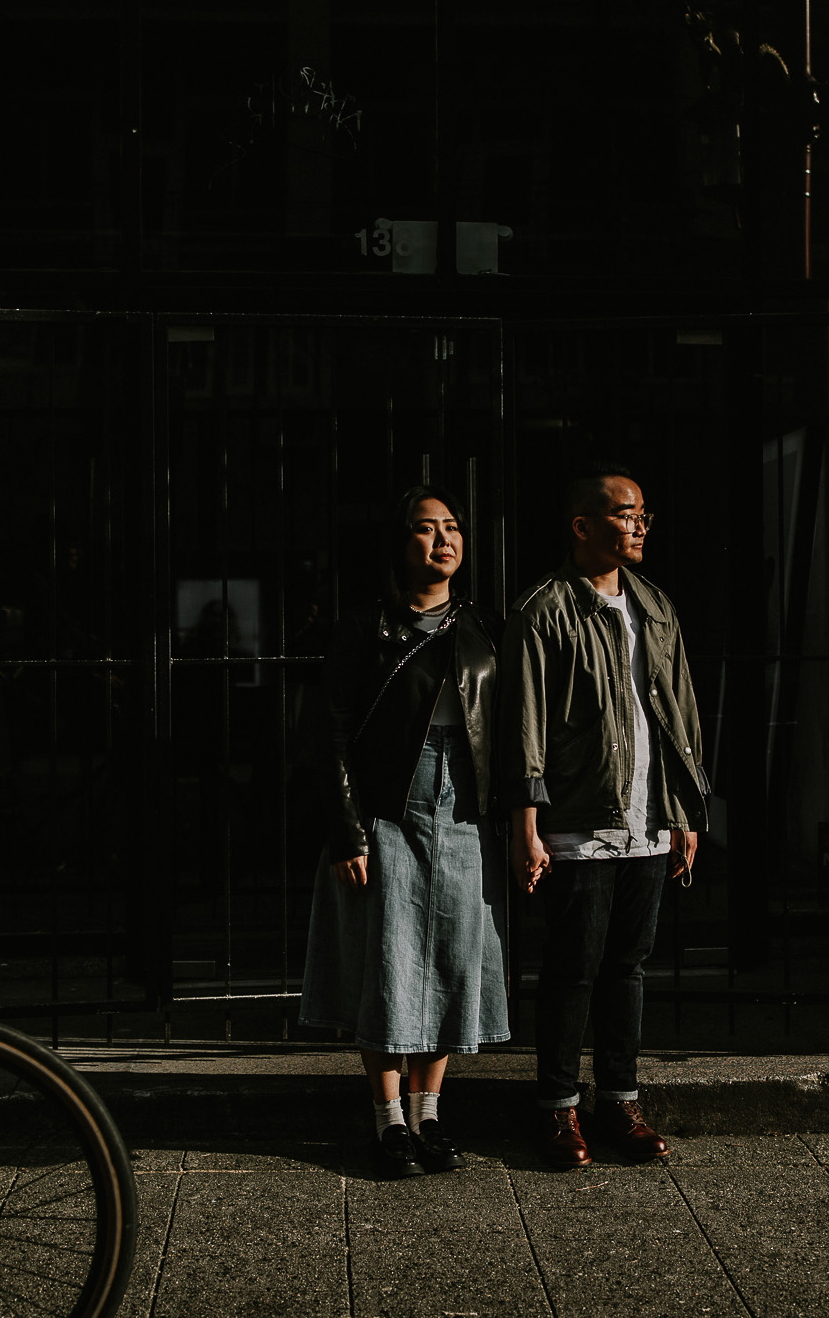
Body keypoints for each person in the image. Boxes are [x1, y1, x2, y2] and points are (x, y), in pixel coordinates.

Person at [499, 466, 707, 1168]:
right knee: (572, 969)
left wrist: (685, 812)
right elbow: (523, 724)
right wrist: (526, 825)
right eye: (625, 513)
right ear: (583, 525)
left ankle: (619, 1101)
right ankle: (558, 1110)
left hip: (648, 820)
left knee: (629, 967)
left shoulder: (654, 606)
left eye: (644, 513)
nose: (640, 524)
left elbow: (681, 716)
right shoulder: (544, 609)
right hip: (580, 824)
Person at [300, 485, 507, 1178]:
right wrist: (347, 830)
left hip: (460, 803)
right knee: (387, 958)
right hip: (388, 800)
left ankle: (431, 1111)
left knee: (450, 954)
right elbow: (327, 731)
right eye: (426, 528)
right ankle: (388, 1117)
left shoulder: (480, 628)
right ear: (400, 544)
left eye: (452, 528)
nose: (444, 539)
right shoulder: (367, 626)